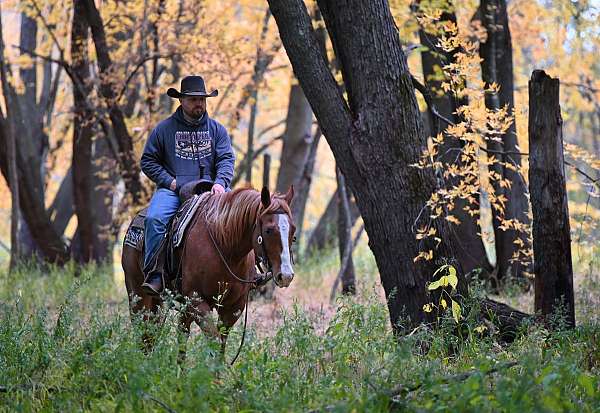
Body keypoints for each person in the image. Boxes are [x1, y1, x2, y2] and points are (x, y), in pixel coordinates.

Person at [140, 75, 235, 295]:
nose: (198, 103)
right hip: (173, 190)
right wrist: (170, 182)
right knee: (154, 219)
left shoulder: (217, 130)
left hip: (212, 190)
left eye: (202, 99)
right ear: (181, 101)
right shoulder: (163, 130)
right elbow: (148, 161)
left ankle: (252, 270)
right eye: (193, 99)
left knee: (244, 213)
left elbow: (226, 160)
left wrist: (221, 183)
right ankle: (155, 273)